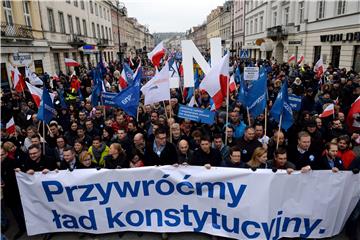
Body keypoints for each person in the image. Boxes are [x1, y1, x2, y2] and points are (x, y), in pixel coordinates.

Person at [1, 147, 26, 240]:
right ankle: (21, 227)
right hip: (7, 194)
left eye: (2, 154)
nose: (0, 157)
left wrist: (5, 183)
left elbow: (21, 174)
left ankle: (27, 226)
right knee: (15, 212)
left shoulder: (13, 162)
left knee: (21, 211)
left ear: (6, 153)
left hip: (16, 192)